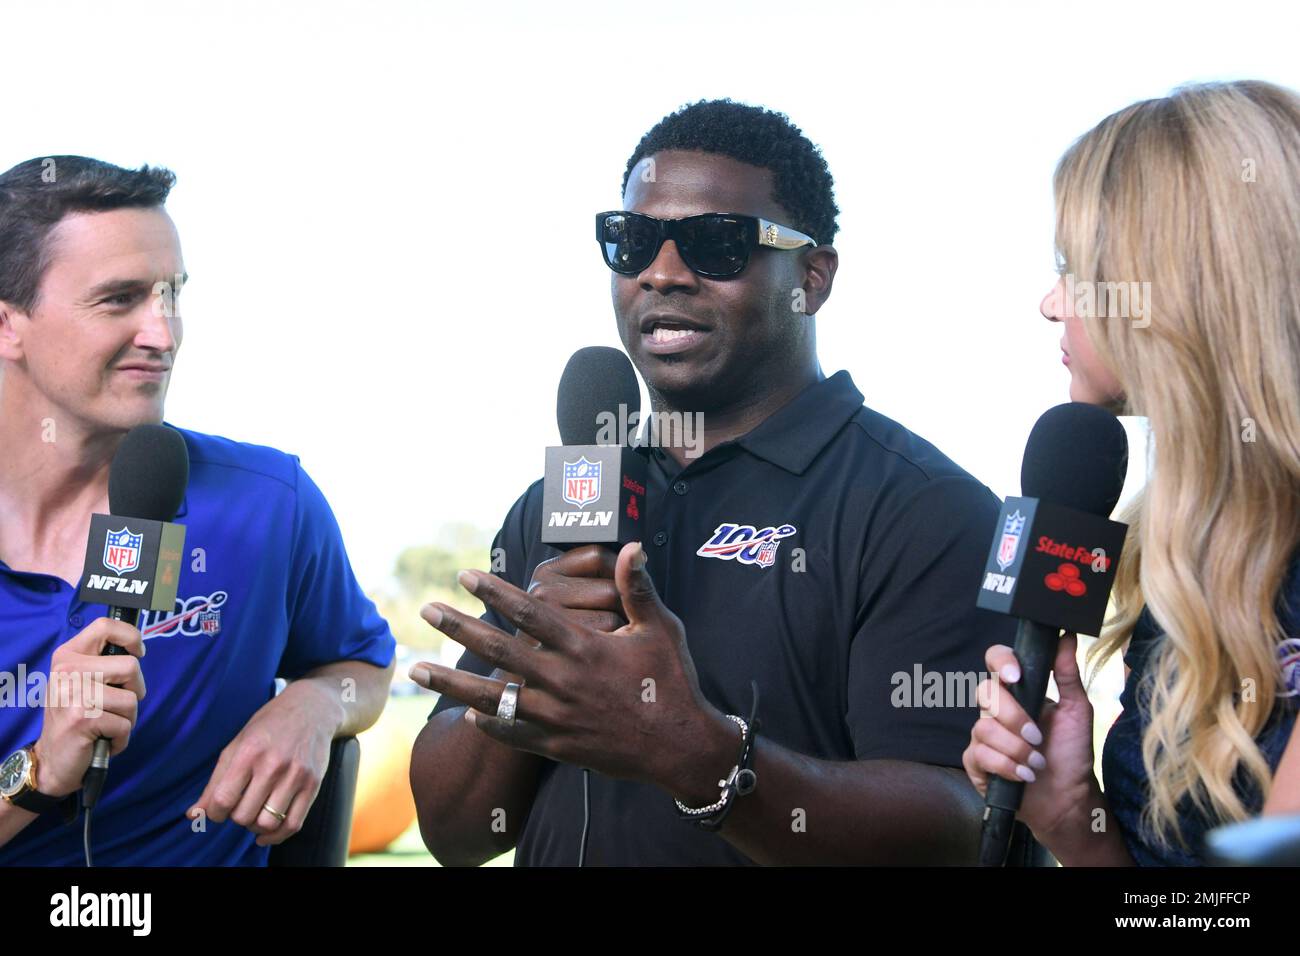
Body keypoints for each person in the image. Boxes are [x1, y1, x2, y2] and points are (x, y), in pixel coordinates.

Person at [409, 99, 1015, 865]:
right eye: (631, 241)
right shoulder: (566, 499)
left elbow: (957, 830)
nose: (662, 273)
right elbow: (455, 835)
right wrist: (526, 668)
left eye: (717, 244)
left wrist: (691, 752)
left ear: (813, 277)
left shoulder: (926, 509)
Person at [0, 156, 396, 865]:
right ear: (8, 325)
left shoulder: (270, 503)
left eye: (170, 294)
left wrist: (313, 705)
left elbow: (361, 667)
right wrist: (37, 774)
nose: (164, 334)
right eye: (119, 299)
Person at [961, 80, 1300, 865]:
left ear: (1179, 291)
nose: (1051, 305)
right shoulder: (1182, 550)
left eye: (1075, 272)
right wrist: (1074, 815)